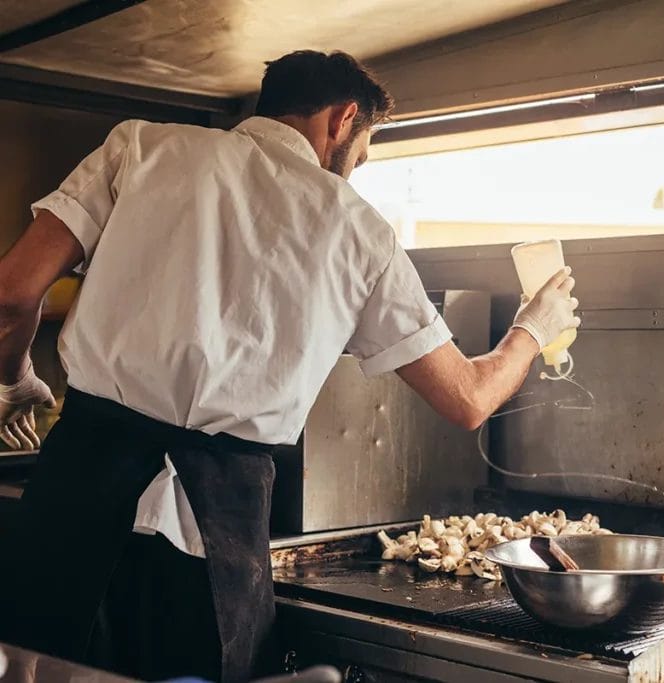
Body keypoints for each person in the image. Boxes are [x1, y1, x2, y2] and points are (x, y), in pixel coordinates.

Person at [0, 50, 579, 682]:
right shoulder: (359, 231)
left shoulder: (142, 146)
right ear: (344, 119)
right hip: (212, 541)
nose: (353, 173)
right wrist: (533, 326)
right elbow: (468, 397)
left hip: (73, 498)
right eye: (361, 155)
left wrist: (15, 377)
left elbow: (11, 294)